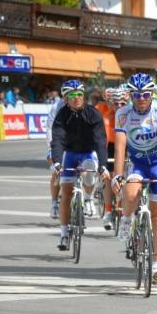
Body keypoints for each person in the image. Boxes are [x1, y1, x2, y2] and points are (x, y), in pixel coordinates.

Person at [112, 73, 157, 285]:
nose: (141, 98)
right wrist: (117, 175)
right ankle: (125, 220)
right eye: (137, 94)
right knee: (131, 192)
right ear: (131, 95)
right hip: (138, 164)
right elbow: (121, 147)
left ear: (152, 95)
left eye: (146, 94)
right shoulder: (123, 114)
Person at [49, 80, 109, 250]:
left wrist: (103, 165)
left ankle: (89, 198)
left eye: (79, 94)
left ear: (84, 96)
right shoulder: (62, 115)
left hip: (88, 152)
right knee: (66, 192)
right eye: (72, 95)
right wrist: (57, 162)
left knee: (90, 168)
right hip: (70, 153)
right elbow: (58, 141)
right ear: (66, 99)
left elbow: (100, 141)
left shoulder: (93, 114)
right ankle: (63, 233)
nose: (76, 98)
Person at [96, 88, 127, 228]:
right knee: (109, 177)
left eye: (122, 104)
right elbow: (103, 137)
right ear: (110, 103)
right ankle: (108, 211)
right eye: (116, 103)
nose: (119, 107)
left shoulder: (130, 113)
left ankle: (123, 207)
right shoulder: (105, 113)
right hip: (109, 146)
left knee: (124, 176)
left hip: (126, 146)